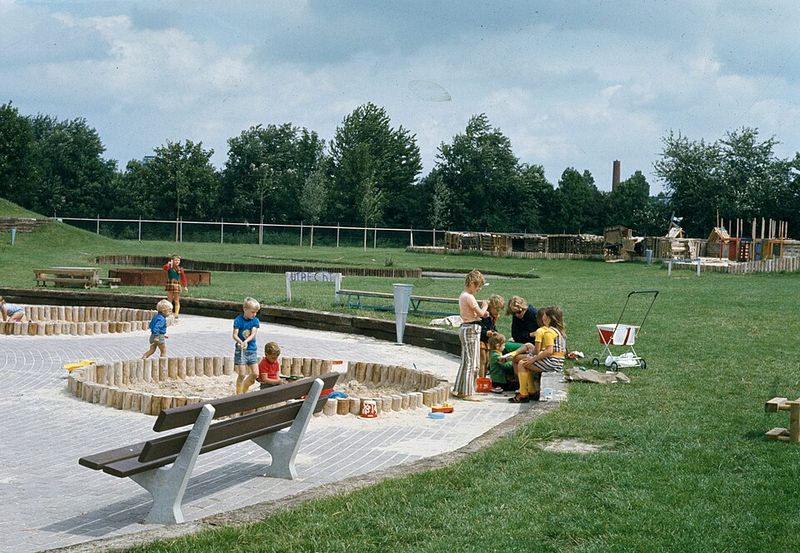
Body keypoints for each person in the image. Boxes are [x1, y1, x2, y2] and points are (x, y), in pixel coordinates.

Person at [509, 306, 567, 403]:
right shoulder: (557, 331)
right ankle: (531, 391)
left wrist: (534, 359)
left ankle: (523, 393)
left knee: (522, 363)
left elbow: (549, 351)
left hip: (552, 362)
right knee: (526, 363)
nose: (542, 317)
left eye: (544, 315)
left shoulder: (548, 332)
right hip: (557, 361)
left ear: (548, 318)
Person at [452, 269, 488, 401]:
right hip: (470, 329)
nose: (479, 289)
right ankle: (468, 392)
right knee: (472, 363)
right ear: (472, 283)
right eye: (478, 286)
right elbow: (481, 314)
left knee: (466, 361)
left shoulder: (463, 295)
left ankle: (460, 389)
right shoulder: (469, 297)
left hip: (466, 328)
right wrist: (485, 306)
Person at [233, 297, 261, 394]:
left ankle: (245, 386)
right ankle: (239, 393)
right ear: (245, 309)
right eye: (252, 312)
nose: (254, 314)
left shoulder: (255, 321)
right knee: (242, 374)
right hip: (241, 351)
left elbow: (253, 334)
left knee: (255, 373)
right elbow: (235, 335)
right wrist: (241, 342)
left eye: (256, 312)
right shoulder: (238, 320)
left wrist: (246, 341)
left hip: (252, 350)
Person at [479, 294, 505, 377]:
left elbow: (492, 327)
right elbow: (479, 328)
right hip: (481, 339)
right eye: (496, 309)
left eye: (499, 310)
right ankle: (481, 379)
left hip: (487, 341)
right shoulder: (484, 315)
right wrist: (486, 332)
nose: (497, 311)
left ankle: (484, 378)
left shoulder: (492, 317)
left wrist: (495, 332)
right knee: (482, 361)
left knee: (487, 361)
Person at [163, 255, 188, 319]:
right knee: (169, 300)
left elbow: (183, 278)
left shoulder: (180, 269)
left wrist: (185, 286)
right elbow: (164, 268)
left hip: (177, 285)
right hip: (170, 284)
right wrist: (168, 264)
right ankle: (170, 312)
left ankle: (176, 314)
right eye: (176, 260)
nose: (177, 261)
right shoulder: (169, 267)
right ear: (172, 261)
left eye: (178, 260)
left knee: (176, 300)